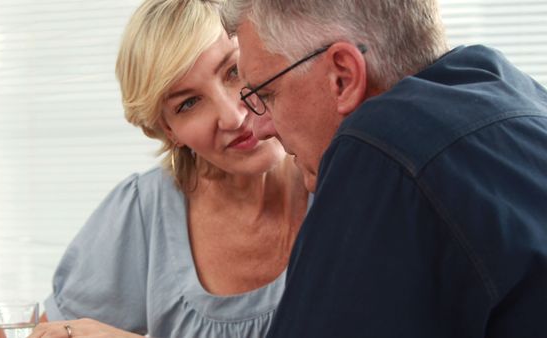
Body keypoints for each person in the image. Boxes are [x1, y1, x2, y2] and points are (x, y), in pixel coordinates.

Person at [221, 0, 547, 337]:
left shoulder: (378, 149)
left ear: (343, 77)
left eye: (268, 94)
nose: (262, 129)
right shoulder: (514, 93)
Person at [28, 0, 309, 337]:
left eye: (233, 71)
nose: (233, 117)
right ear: (168, 130)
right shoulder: (143, 211)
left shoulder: (350, 183)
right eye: (188, 103)